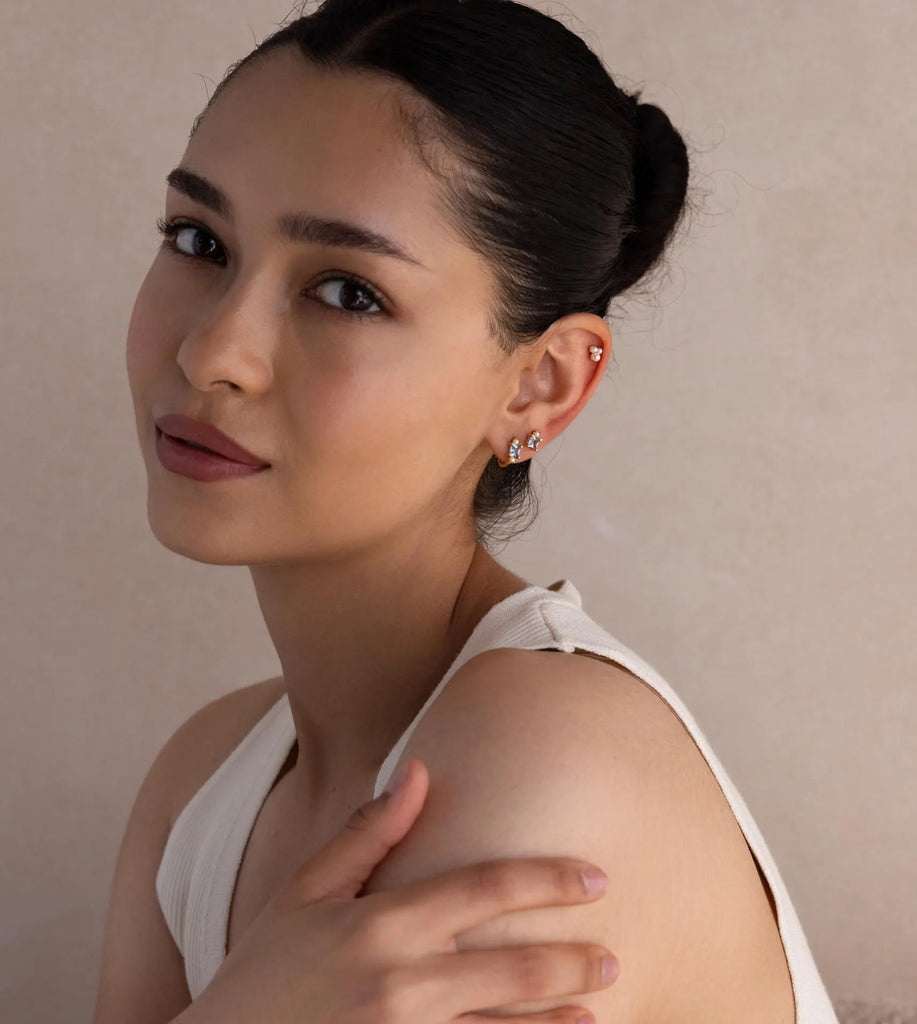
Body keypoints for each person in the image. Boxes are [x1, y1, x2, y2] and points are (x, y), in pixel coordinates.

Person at [93, 1, 840, 1022]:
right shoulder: (202, 779)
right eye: (199, 239)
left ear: (539, 386)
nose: (211, 352)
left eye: (348, 292)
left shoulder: (542, 753)